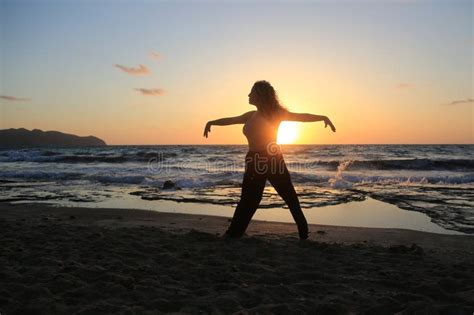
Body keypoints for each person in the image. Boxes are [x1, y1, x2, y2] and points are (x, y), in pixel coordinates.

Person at [203, 80, 336, 240]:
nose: (248, 95)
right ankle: (233, 233)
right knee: (248, 199)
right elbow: (231, 120)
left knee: (289, 196)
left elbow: (301, 117)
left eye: (252, 92)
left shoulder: (276, 113)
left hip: (272, 159)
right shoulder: (250, 115)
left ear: (260, 95)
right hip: (254, 160)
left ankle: (303, 233)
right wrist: (211, 122)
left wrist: (323, 117)